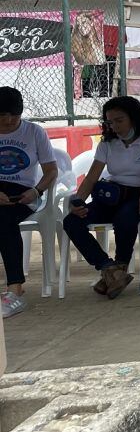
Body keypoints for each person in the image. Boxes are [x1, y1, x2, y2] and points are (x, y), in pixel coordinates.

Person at [62, 96, 140, 299]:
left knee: (124, 219)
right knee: (71, 221)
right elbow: (91, 178)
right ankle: (109, 268)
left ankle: (118, 268)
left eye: (119, 120)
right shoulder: (107, 143)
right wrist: (78, 202)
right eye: (110, 122)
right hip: (112, 195)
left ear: (134, 118)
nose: (114, 126)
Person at [0, 87, 58, 318]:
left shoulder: (34, 132)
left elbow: (51, 170)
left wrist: (36, 191)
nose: (8, 122)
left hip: (23, 192)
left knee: (4, 219)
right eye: (2, 117)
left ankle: (15, 290)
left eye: (14, 117)